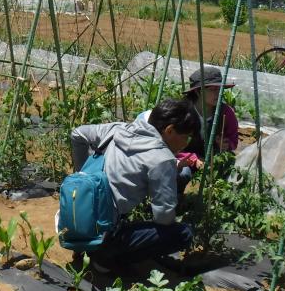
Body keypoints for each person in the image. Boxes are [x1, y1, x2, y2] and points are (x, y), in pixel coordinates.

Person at [69, 98, 200, 271]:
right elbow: (163, 216)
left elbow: (77, 133)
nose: (186, 143)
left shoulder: (118, 129)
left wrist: (82, 174)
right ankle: (105, 261)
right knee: (183, 234)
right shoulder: (162, 159)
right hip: (105, 233)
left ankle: (83, 248)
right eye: (186, 137)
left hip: (71, 218)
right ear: (169, 130)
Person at [138, 67, 239, 192]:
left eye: (220, 89)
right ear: (198, 91)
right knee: (183, 173)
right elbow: (166, 143)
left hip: (210, 158)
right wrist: (192, 158)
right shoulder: (183, 113)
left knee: (229, 162)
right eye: (213, 89)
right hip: (181, 157)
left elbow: (233, 140)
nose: (218, 94)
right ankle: (177, 199)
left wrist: (226, 144)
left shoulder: (225, 113)